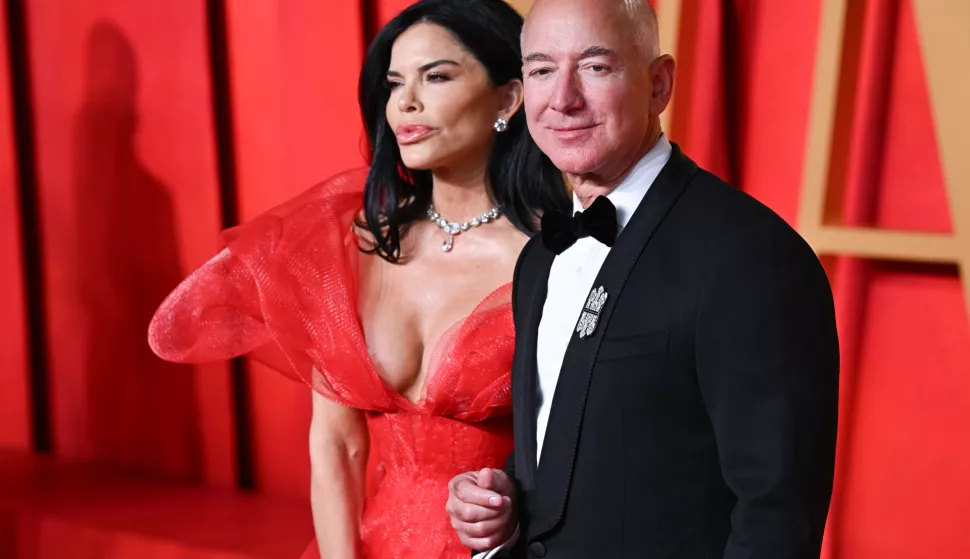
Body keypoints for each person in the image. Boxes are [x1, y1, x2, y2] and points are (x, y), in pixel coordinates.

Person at [147, 1, 568, 557]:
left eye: (436, 76)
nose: (405, 104)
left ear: (509, 98)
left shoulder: (559, 257)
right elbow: (337, 445)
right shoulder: (356, 244)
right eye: (394, 84)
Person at [446, 0, 840, 557]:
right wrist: (507, 509)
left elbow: (777, 515)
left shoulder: (750, 256)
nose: (563, 99)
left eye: (595, 66)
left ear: (659, 84)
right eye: (541, 70)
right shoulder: (538, 260)